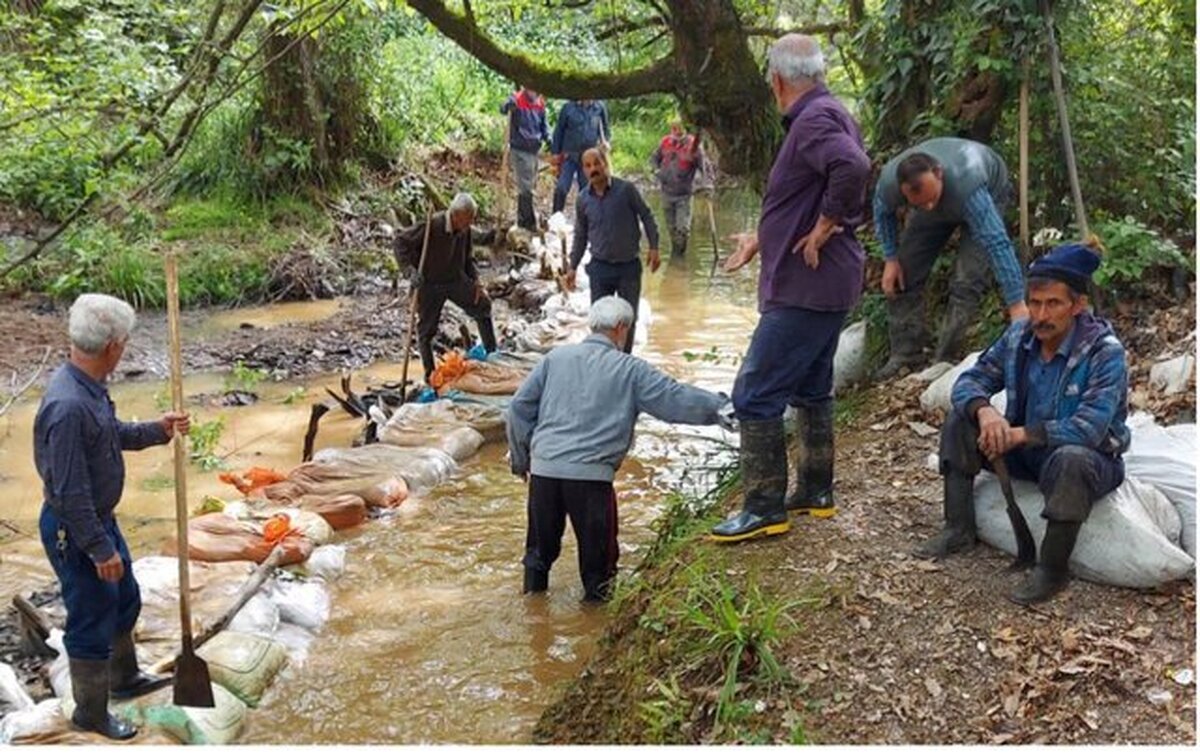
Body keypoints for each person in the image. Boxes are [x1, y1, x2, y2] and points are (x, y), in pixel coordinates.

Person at [710, 34, 871, 543]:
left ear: (777, 81)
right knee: (809, 386)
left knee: (754, 393)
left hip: (806, 286)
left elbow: (852, 168)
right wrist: (764, 236)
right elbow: (815, 188)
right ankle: (816, 490)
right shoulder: (830, 111)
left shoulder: (813, 120)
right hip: (827, 284)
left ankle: (763, 506)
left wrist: (823, 227)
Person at [912, 243, 1129, 605]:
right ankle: (958, 529)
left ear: (1077, 306)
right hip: (1027, 451)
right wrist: (986, 411)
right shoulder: (1020, 335)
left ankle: (1052, 571)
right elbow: (970, 380)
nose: (1041, 315)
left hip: (1087, 459)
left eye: (1053, 304)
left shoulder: (1104, 351)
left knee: (1072, 459)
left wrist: (1020, 434)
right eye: (1035, 303)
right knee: (959, 421)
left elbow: (1090, 428)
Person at [33, 293, 190, 739]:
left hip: (99, 518)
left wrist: (157, 432)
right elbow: (68, 491)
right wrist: (98, 548)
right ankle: (91, 713)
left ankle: (124, 679)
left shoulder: (88, 389)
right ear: (114, 346)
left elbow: (110, 437)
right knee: (92, 614)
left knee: (125, 598)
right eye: (126, 341)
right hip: (76, 528)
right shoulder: (67, 406)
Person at [506, 295, 731, 602]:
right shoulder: (631, 370)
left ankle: (533, 613)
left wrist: (522, 461)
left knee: (538, 554)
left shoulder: (554, 360)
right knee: (599, 566)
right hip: (591, 478)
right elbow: (674, 399)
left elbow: (518, 409)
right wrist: (723, 408)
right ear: (622, 328)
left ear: (592, 325)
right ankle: (594, 629)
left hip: (544, 473)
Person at [873, 137, 1031, 379]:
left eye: (930, 199)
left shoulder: (968, 186)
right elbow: (883, 213)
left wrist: (1017, 303)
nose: (928, 206)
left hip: (984, 193)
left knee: (967, 281)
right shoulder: (890, 184)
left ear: (938, 173)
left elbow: (996, 242)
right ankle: (906, 355)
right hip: (942, 198)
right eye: (919, 203)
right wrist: (891, 258)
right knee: (904, 273)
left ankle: (943, 359)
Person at [393, 192, 498, 382]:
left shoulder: (464, 229)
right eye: (468, 219)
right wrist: (409, 271)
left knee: (483, 305)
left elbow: (468, 259)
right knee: (426, 331)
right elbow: (400, 241)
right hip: (429, 283)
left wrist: (476, 281)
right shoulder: (432, 225)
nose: (470, 225)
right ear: (456, 215)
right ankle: (430, 375)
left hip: (454, 279)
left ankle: (492, 354)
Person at [565, 148, 660, 353]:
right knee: (600, 322)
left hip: (628, 267)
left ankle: (623, 362)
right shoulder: (583, 199)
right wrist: (572, 267)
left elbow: (647, 215)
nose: (593, 169)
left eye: (596, 163)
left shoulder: (626, 190)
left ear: (605, 163)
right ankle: (603, 361)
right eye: (588, 165)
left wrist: (654, 247)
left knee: (628, 319)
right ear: (583, 170)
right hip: (600, 268)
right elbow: (580, 235)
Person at [649, 121, 713, 258]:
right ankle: (676, 256)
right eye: (674, 128)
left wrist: (706, 185)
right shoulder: (665, 142)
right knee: (672, 230)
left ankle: (679, 259)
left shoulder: (693, 146)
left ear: (685, 128)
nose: (676, 131)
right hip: (666, 193)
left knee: (682, 230)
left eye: (679, 128)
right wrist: (656, 171)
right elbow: (654, 159)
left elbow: (705, 168)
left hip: (684, 195)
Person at [499, 85, 551, 231]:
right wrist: (507, 105)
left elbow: (544, 125)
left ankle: (524, 220)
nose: (534, 92)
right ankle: (527, 222)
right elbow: (503, 108)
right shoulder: (516, 99)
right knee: (526, 188)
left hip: (534, 150)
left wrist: (548, 137)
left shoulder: (540, 103)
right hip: (519, 149)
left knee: (530, 187)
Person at [550, 98, 611, 213]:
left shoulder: (599, 107)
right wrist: (555, 153)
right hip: (569, 155)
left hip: (589, 158)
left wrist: (606, 142)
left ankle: (586, 222)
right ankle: (556, 217)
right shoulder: (568, 108)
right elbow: (559, 131)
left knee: (586, 190)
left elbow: (606, 130)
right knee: (561, 188)